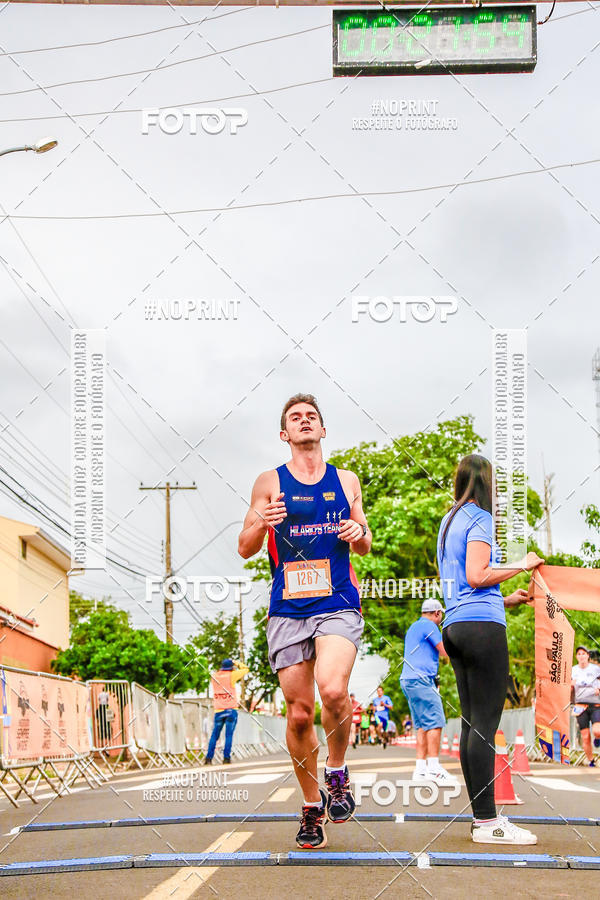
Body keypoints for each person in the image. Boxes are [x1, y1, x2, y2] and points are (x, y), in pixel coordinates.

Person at [238, 393, 371, 849]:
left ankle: (337, 771)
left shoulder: (346, 479)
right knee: (298, 715)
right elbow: (244, 546)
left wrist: (359, 532)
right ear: (284, 434)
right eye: (295, 418)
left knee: (333, 689)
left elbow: (364, 540)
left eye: (311, 416)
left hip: (337, 601)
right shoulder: (268, 482)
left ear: (322, 429)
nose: (304, 421)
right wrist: (261, 524)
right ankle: (312, 806)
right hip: (288, 608)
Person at [437, 453, 544, 845]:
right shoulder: (480, 518)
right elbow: (477, 575)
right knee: (484, 724)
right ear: (486, 483)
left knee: (471, 723)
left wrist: (507, 598)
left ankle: (482, 818)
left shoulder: (448, 522)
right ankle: (487, 823)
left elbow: (464, 583)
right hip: (481, 628)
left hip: (456, 625)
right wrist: (522, 563)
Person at [400, 598, 456, 783]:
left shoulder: (414, 627)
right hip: (421, 679)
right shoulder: (430, 627)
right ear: (437, 613)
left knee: (422, 725)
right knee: (435, 721)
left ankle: (421, 769)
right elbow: (445, 651)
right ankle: (433, 768)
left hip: (408, 680)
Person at [204, 658, 249, 765]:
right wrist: (236, 662)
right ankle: (226, 758)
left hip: (218, 710)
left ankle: (208, 759)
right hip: (231, 710)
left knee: (214, 735)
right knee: (228, 735)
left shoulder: (214, 676)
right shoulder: (232, 675)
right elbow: (246, 669)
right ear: (231, 667)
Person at [571, 645, 600, 766]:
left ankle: (597, 739)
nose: (581, 656)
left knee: (597, 731)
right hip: (580, 705)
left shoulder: (595, 669)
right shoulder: (573, 670)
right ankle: (591, 760)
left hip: (595, 704)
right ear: (576, 657)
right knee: (585, 736)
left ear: (588, 656)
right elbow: (568, 687)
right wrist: (570, 686)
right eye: (579, 654)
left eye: (584, 654)